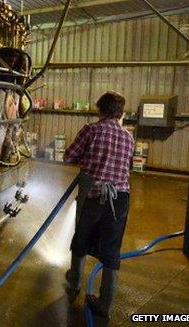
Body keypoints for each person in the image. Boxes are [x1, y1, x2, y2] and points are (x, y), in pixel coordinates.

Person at [63, 91, 134, 318]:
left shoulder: (91, 130)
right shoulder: (128, 137)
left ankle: (74, 283)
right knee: (112, 250)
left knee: (81, 239)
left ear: (100, 109)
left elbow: (69, 156)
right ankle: (105, 305)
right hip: (120, 198)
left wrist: (86, 160)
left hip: (94, 195)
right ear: (120, 113)